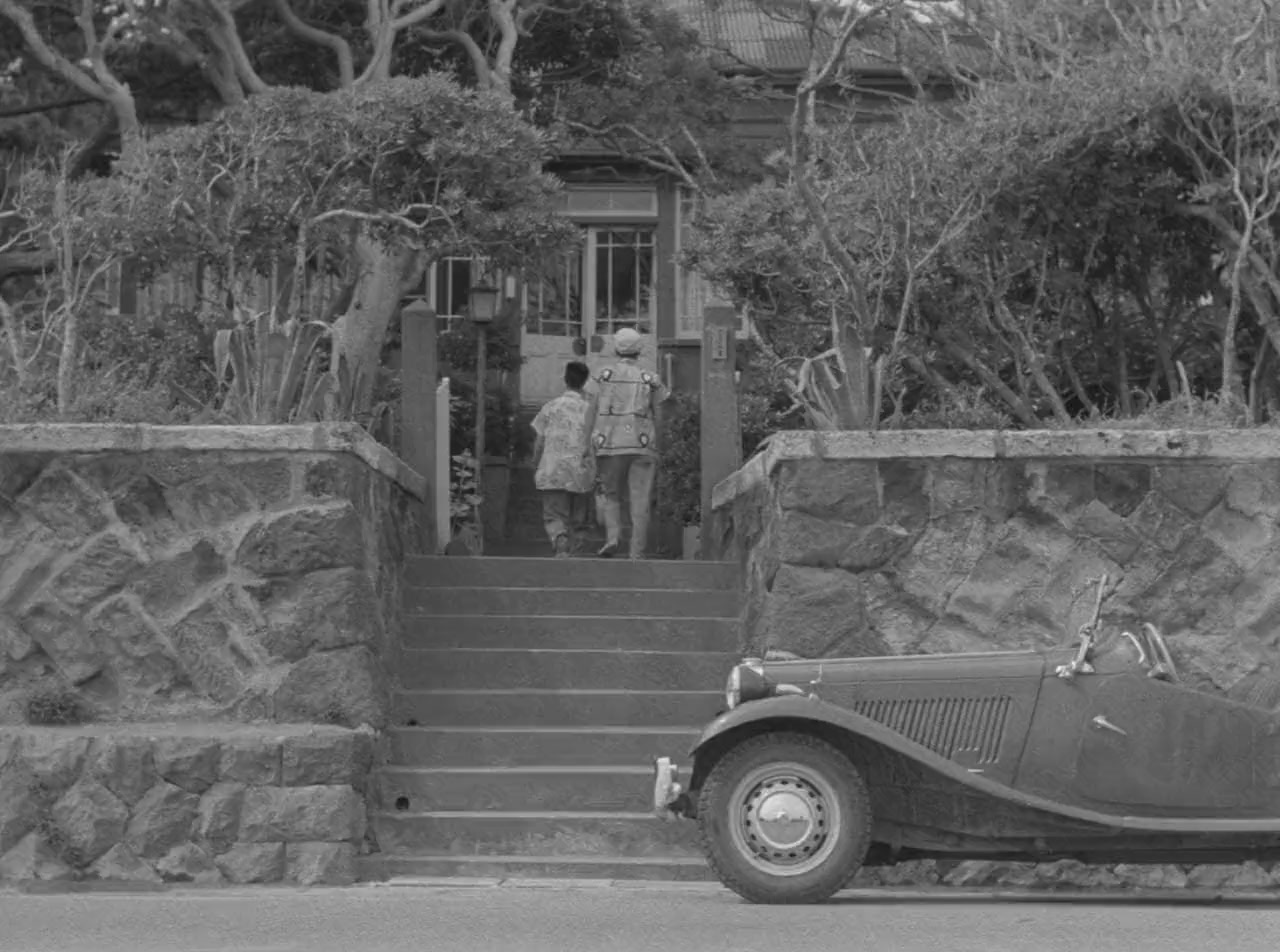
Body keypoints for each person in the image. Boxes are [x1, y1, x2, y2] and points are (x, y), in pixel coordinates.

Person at [590, 327, 671, 559]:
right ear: (639, 350)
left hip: (609, 443)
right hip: (643, 445)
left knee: (611, 493)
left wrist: (587, 442)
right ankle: (637, 551)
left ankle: (613, 537)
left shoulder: (601, 375)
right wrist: (660, 444)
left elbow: (591, 410)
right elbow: (660, 414)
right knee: (641, 499)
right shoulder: (650, 378)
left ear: (616, 349)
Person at [531, 361, 596, 557]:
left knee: (554, 514)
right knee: (580, 518)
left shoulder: (550, 407)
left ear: (565, 379)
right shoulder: (590, 409)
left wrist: (535, 462)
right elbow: (596, 441)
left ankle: (560, 538)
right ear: (585, 382)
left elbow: (539, 441)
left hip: (553, 470)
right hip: (581, 470)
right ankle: (577, 551)